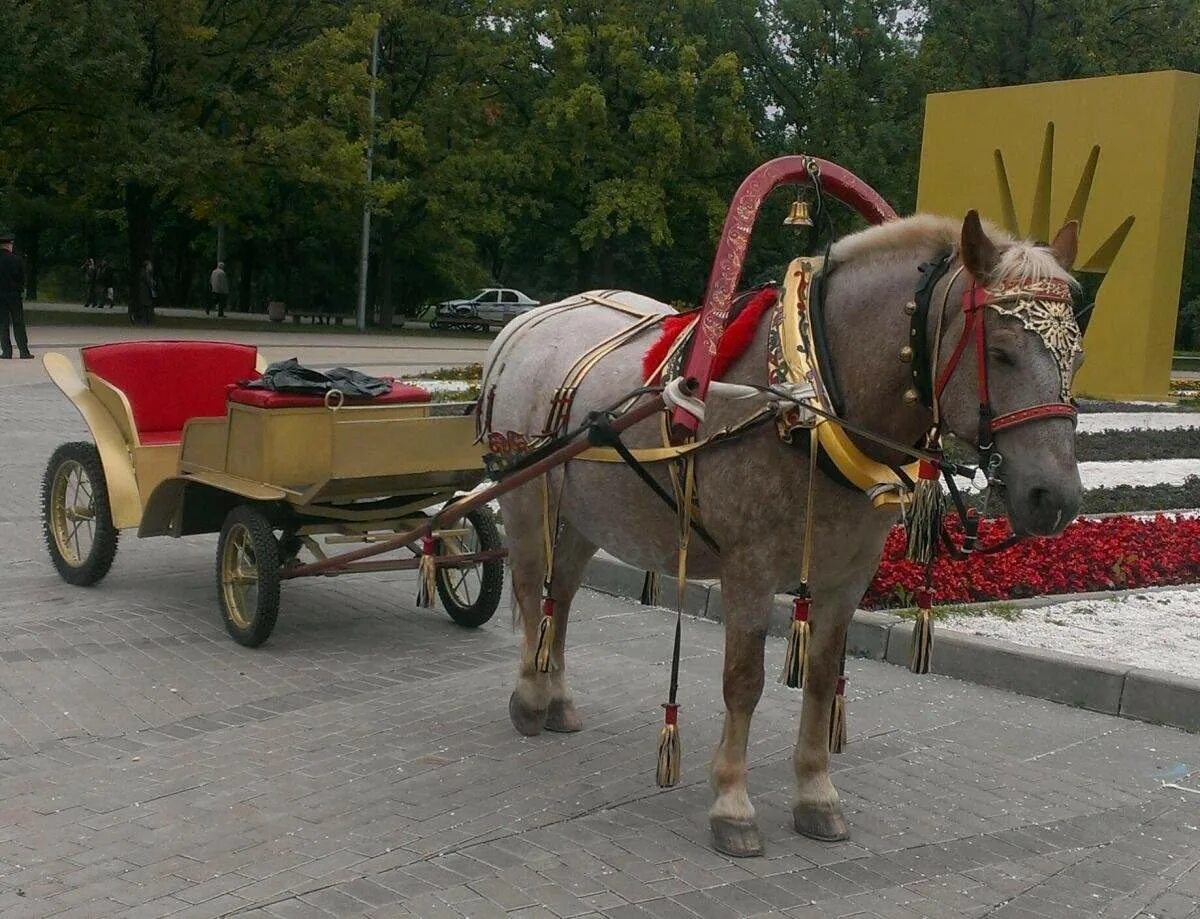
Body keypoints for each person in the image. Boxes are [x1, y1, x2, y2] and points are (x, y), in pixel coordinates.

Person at [0, 231, 32, 359]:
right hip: (14, 295)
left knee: (3, 323)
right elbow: (21, 277)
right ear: (8, 245)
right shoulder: (16, 259)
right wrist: (20, 289)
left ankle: (6, 352)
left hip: (0, 295)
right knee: (18, 322)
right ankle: (24, 351)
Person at [134, 258, 157, 326]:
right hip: (145, 292)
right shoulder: (144, 273)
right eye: (150, 265)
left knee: (146, 306)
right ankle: (143, 321)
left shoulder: (147, 273)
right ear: (147, 266)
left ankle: (146, 321)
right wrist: (152, 283)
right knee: (145, 306)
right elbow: (148, 282)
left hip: (146, 292)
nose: (151, 267)